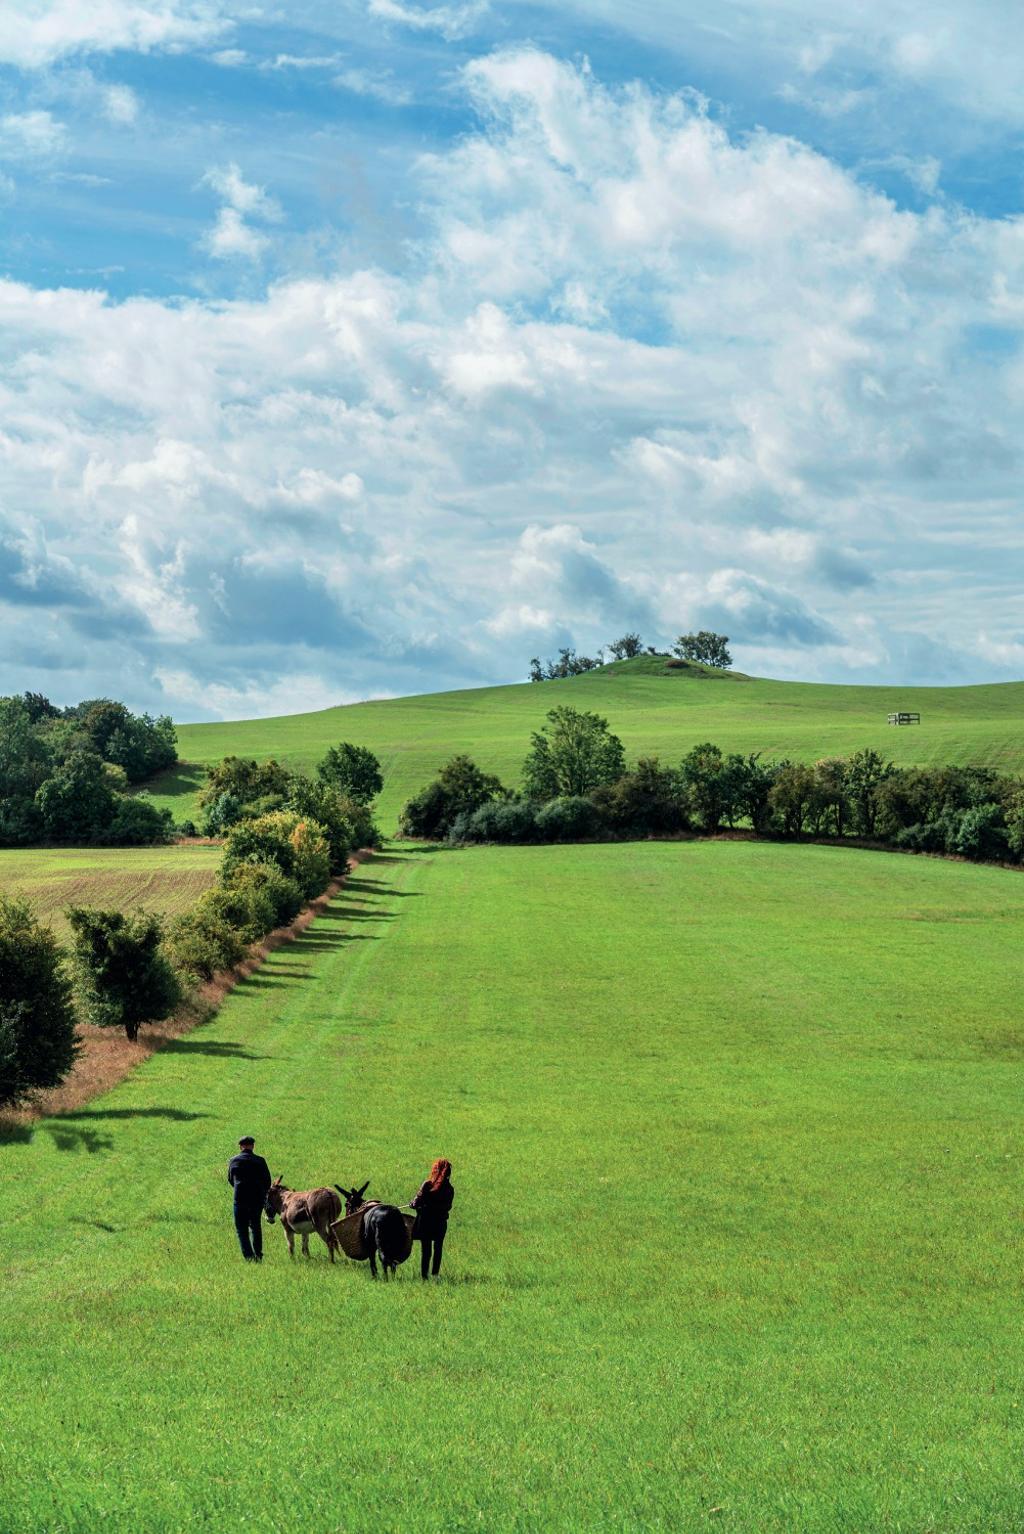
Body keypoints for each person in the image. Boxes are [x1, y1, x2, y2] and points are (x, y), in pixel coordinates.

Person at [227, 1135, 272, 1262]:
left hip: (240, 1199)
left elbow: (231, 1179)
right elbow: (267, 1181)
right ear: (252, 1146)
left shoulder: (233, 1161)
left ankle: (249, 1257)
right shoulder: (260, 1161)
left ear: (240, 1146)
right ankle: (258, 1254)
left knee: (241, 1229)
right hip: (256, 1200)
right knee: (256, 1227)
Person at [410, 1158, 454, 1280]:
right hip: (440, 1223)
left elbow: (416, 1202)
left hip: (425, 1222)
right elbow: (448, 1207)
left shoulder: (427, 1184)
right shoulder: (450, 1189)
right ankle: (435, 1275)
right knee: (438, 1248)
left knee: (426, 1250)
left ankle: (424, 1276)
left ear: (435, 1170)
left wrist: (412, 1204)